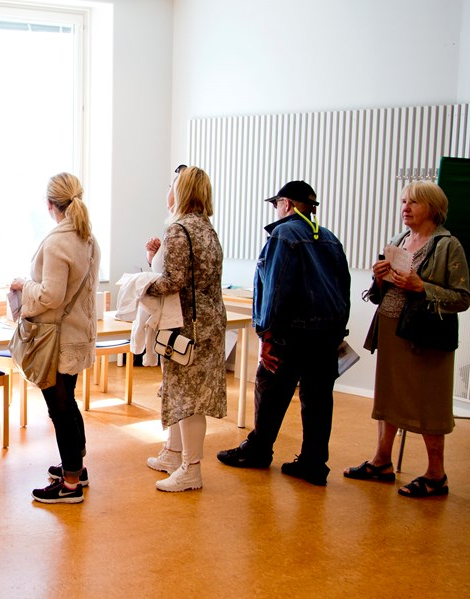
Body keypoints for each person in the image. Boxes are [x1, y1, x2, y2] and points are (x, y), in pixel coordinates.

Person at [216, 180, 350, 486]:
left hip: (292, 333)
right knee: (317, 399)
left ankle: (259, 450)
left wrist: (268, 335)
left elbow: (275, 287)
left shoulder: (283, 233)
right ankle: (314, 463)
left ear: (286, 204)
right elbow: (344, 288)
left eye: (277, 204)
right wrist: (339, 330)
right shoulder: (330, 238)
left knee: (271, 388)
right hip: (327, 334)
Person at [345, 181, 470, 497]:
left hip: (425, 335)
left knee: (430, 402)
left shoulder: (447, 245)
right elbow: (381, 292)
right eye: (404, 201)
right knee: (387, 396)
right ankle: (381, 462)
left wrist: (422, 287)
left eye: (413, 202)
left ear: (433, 207)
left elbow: (462, 298)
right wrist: (378, 276)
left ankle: (435, 475)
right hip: (391, 328)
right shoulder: (399, 240)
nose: (405, 207)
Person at [9, 172, 100, 504]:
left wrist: (23, 287)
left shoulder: (58, 241)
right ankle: (75, 465)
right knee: (68, 403)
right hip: (77, 335)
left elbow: (50, 296)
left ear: (50, 205)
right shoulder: (88, 238)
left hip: (56, 340)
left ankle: (71, 484)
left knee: (59, 408)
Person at [143, 166, 227, 492]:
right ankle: (173, 453)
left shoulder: (178, 230)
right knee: (181, 393)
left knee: (189, 399)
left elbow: (174, 281)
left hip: (187, 327)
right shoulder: (207, 229)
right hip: (208, 323)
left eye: (172, 185)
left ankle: (190, 469)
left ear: (181, 191)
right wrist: (153, 257)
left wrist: (143, 286)